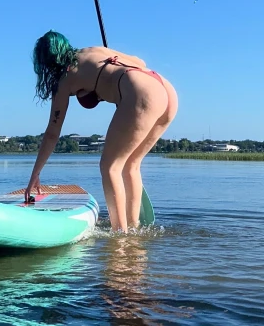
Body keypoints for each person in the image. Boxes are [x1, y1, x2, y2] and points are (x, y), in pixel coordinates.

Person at [25, 31, 178, 231]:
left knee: (110, 166)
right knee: (131, 164)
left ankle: (119, 234)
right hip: (163, 88)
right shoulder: (94, 50)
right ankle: (134, 228)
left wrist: (35, 175)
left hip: (140, 91)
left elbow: (53, 132)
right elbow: (140, 62)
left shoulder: (65, 78)